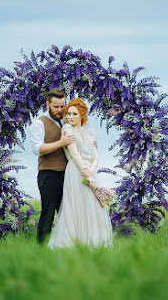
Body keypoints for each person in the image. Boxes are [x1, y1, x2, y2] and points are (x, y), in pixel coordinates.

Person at [48, 98, 113, 248]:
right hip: (76, 170)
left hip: (90, 170)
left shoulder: (89, 132)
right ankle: (73, 241)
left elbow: (96, 154)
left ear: (82, 114)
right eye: (68, 113)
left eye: (74, 114)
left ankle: (91, 242)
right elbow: (74, 153)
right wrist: (86, 173)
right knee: (76, 205)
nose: (70, 117)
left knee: (92, 205)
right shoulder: (67, 129)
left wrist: (92, 170)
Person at [29, 88, 75, 243]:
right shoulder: (38, 123)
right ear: (47, 104)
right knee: (48, 214)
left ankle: (64, 247)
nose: (60, 110)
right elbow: (38, 149)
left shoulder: (66, 120)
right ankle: (42, 250)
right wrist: (61, 143)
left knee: (67, 214)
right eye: (56, 107)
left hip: (67, 175)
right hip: (48, 175)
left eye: (63, 106)